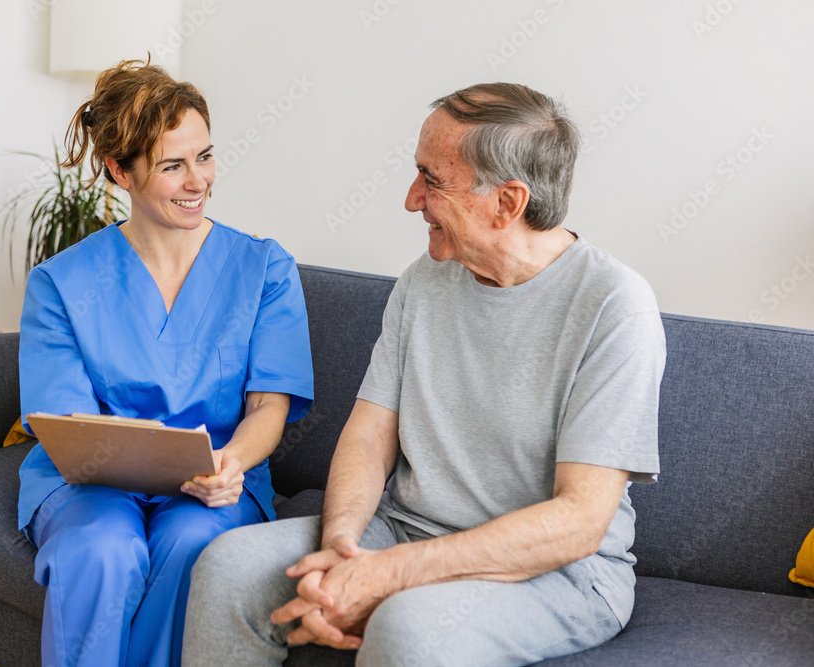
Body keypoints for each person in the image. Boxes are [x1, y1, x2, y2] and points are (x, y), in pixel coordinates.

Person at [183, 82, 667, 666]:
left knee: (407, 627)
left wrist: (387, 576)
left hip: (558, 573)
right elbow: (367, 437)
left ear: (508, 203)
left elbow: (579, 522)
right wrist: (343, 546)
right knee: (227, 564)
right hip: (407, 530)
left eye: (432, 180)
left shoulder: (614, 305)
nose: (412, 199)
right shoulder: (425, 280)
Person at [16, 59, 314, 667]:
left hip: (216, 482)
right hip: (92, 483)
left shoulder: (264, 270)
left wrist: (230, 464)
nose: (197, 180)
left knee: (193, 545)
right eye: (172, 166)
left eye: (204, 157)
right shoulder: (62, 282)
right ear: (119, 171)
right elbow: (68, 422)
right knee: (100, 550)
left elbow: (267, 408)